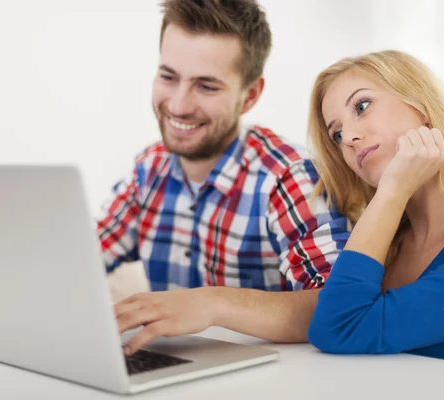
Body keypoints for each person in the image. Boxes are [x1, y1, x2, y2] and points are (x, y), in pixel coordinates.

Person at [97, 0, 348, 356]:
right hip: (172, 375)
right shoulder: (150, 169)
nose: (179, 105)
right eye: (168, 77)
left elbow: (339, 305)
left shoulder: (288, 175)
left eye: (206, 86)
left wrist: (214, 303)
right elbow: (86, 255)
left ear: (250, 95)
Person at [306, 50, 444, 373]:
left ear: (422, 106)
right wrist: (218, 304)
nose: (350, 139)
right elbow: (319, 311)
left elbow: (336, 327)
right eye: (337, 134)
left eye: (362, 106)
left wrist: (392, 192)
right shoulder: (391, 239)